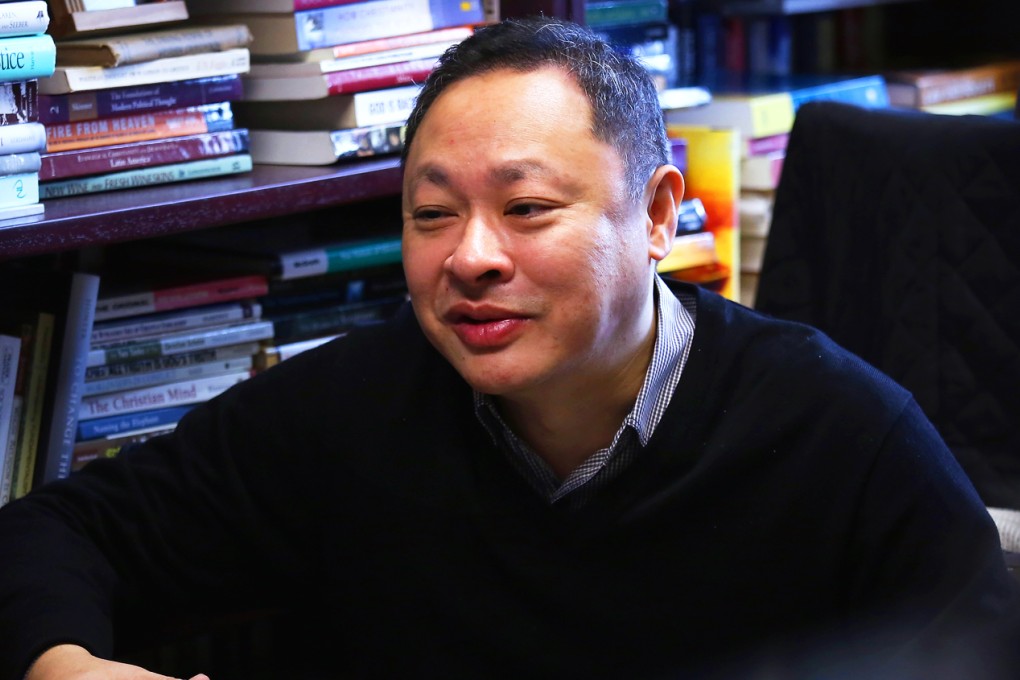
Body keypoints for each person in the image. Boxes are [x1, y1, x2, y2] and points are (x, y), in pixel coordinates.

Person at [2, 16, 1019, 680]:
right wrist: (71, 665)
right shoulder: (349, 407)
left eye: (528, 207)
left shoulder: (842, 433)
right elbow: (54, 533)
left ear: (660, 214)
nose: (472, 257)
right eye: (432, 213)